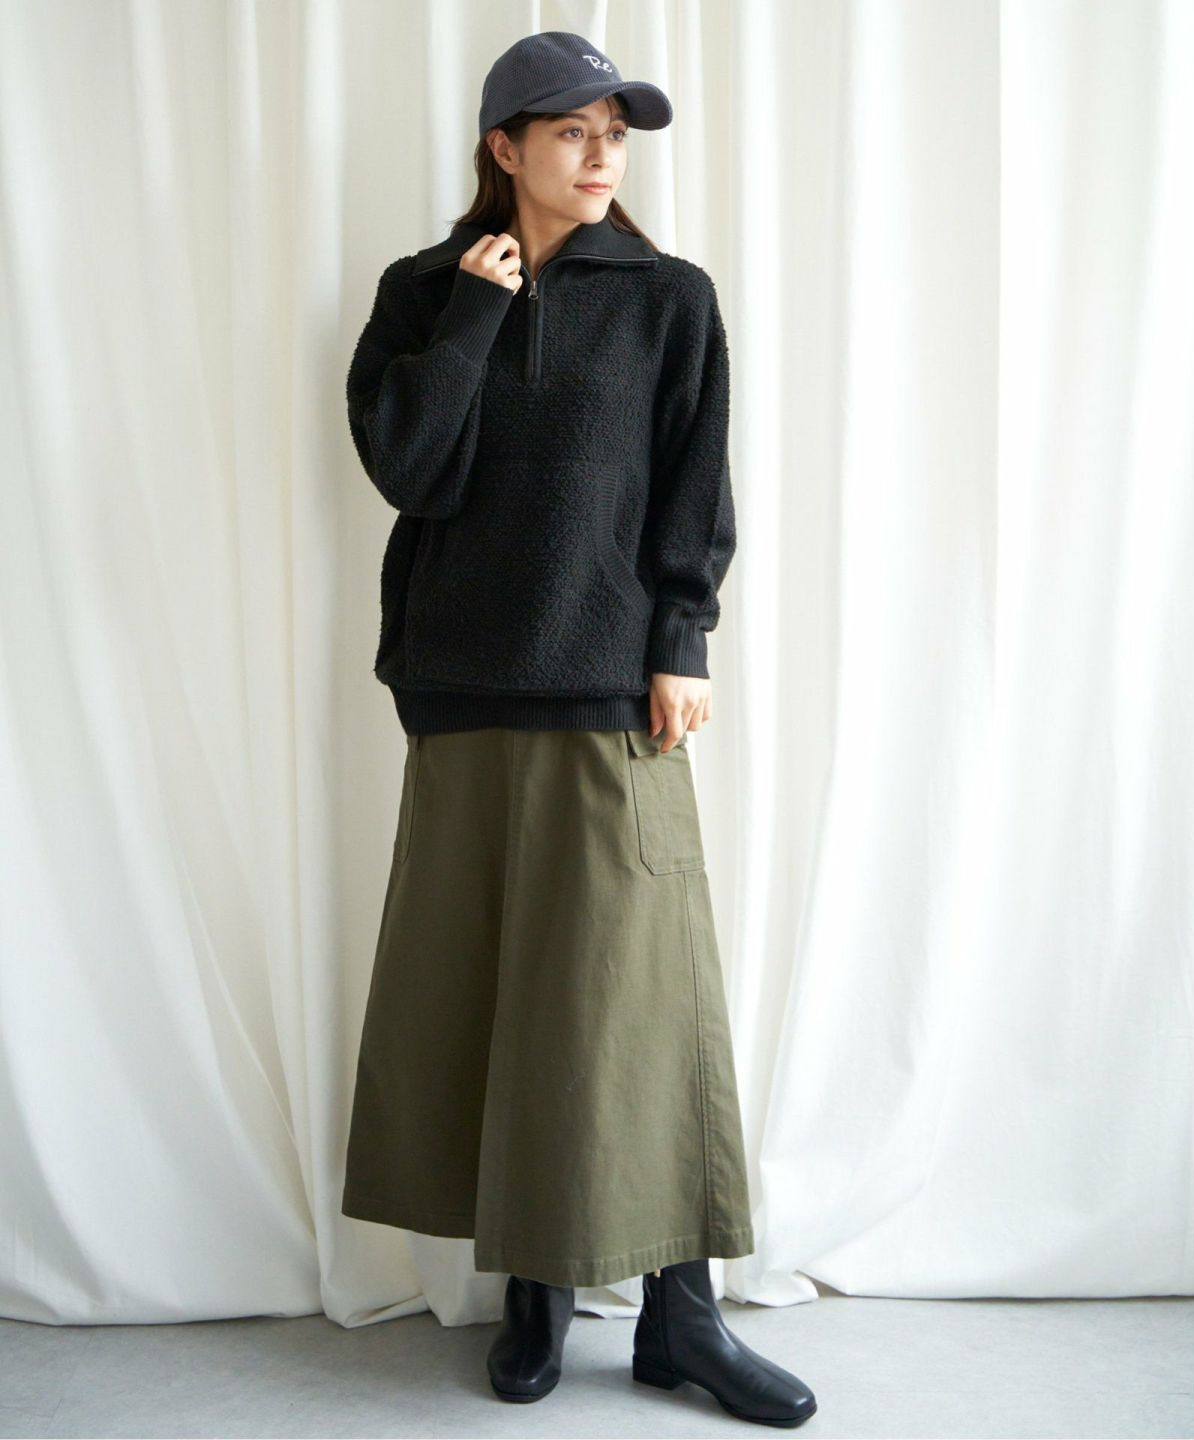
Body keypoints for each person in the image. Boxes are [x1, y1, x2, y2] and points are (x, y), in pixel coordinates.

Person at [339, 29, 817, 1430]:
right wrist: (474, 315)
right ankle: (536, 1290)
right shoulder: (423, 291)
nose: (602, 155)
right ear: (505, 147)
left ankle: (683, 1315)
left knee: (641, 1002)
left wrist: (682, 639)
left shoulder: (669, 299)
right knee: (503, 994)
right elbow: (407, 471)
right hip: (461, 693)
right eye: (571, 131)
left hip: (613, 690)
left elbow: (692, 486)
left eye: (616, 132)